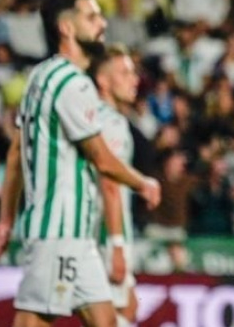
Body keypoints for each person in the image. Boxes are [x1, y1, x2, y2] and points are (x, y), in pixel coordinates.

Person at [0, 0, 161, 327]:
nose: (103, 23)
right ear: (67, 28)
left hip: (76, 235)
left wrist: (5, 221)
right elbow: (102, 160)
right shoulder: (72, 84)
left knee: (108, 322)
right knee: (34, 320)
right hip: (58, 230)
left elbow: (17, 152)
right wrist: (143, 182)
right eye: (92, 17)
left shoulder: (39, 76)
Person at [89, 44, 142, 327]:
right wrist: (117, 246)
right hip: (107, 235)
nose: (134, 79)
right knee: (113, 317)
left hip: (102, 233)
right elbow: (109, 185)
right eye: (124, 72)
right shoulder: (109, 123)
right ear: (103, 81)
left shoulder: (97, 117)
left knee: (127, 308)